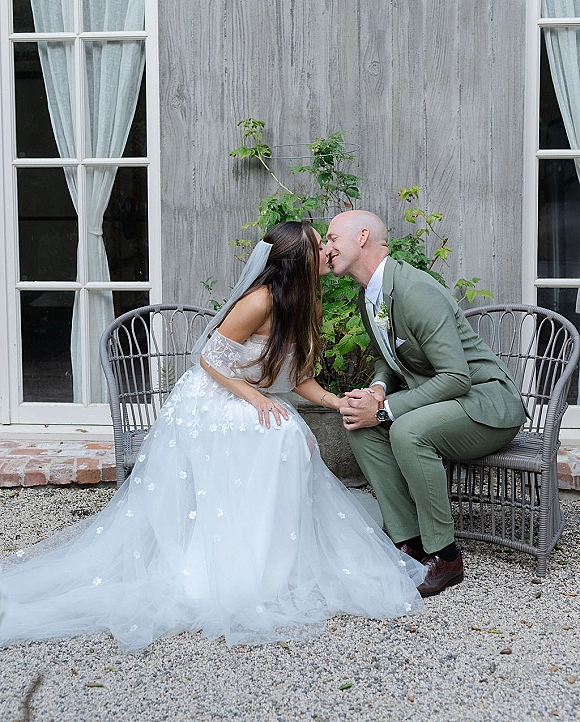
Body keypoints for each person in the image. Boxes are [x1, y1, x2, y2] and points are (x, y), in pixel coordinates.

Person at [0, 221, 425, 652]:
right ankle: (243, 565)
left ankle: (274, 562)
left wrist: (334, 403)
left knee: (292, 438)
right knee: (278, 434)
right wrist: (257, 400)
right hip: (208, 400)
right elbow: (209, 361)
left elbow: (299, 377)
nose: (326, 253)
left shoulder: (300, 304)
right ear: (298, 260)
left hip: (240, 395)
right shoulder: (258, 302)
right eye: (319, 246)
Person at [325, 210, 526, 597]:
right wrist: (377, 392)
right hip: (446, 399)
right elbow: (389, 357)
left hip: (486, 402)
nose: (328, 247)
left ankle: (445, 555)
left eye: (333, 238)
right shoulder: (371, 294)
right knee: (359, 425)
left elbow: (456, 376)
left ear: (362, 236)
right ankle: (409, 544)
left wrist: (385, 411)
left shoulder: (415, 289)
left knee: (407, 430)